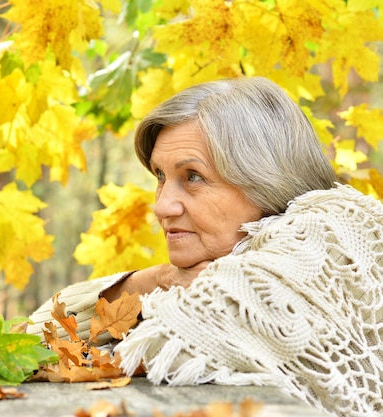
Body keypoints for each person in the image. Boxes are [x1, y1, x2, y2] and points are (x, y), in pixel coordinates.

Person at [27, 76, 383, 417]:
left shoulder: (335, 231)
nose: (162, 207)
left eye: (193, 177)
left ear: (266, 181)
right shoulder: (210, 271)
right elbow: (33, 336)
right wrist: (160, 279)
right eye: (160, 176)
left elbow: (174, 344)